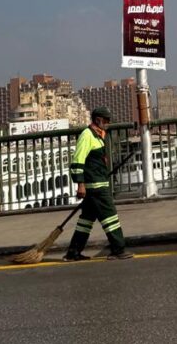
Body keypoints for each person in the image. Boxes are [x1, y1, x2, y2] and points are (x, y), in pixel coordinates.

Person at [64, 107, 133, 261]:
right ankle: (118, 249)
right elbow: (78, 161)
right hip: (96, 186)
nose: (108, 123)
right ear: (98, 120)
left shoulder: (98, 136)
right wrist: (80, 184)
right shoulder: (87, 135)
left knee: (86, 220)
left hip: (97, 183)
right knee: (110, 217)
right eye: (106, 121)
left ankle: (73, 252)